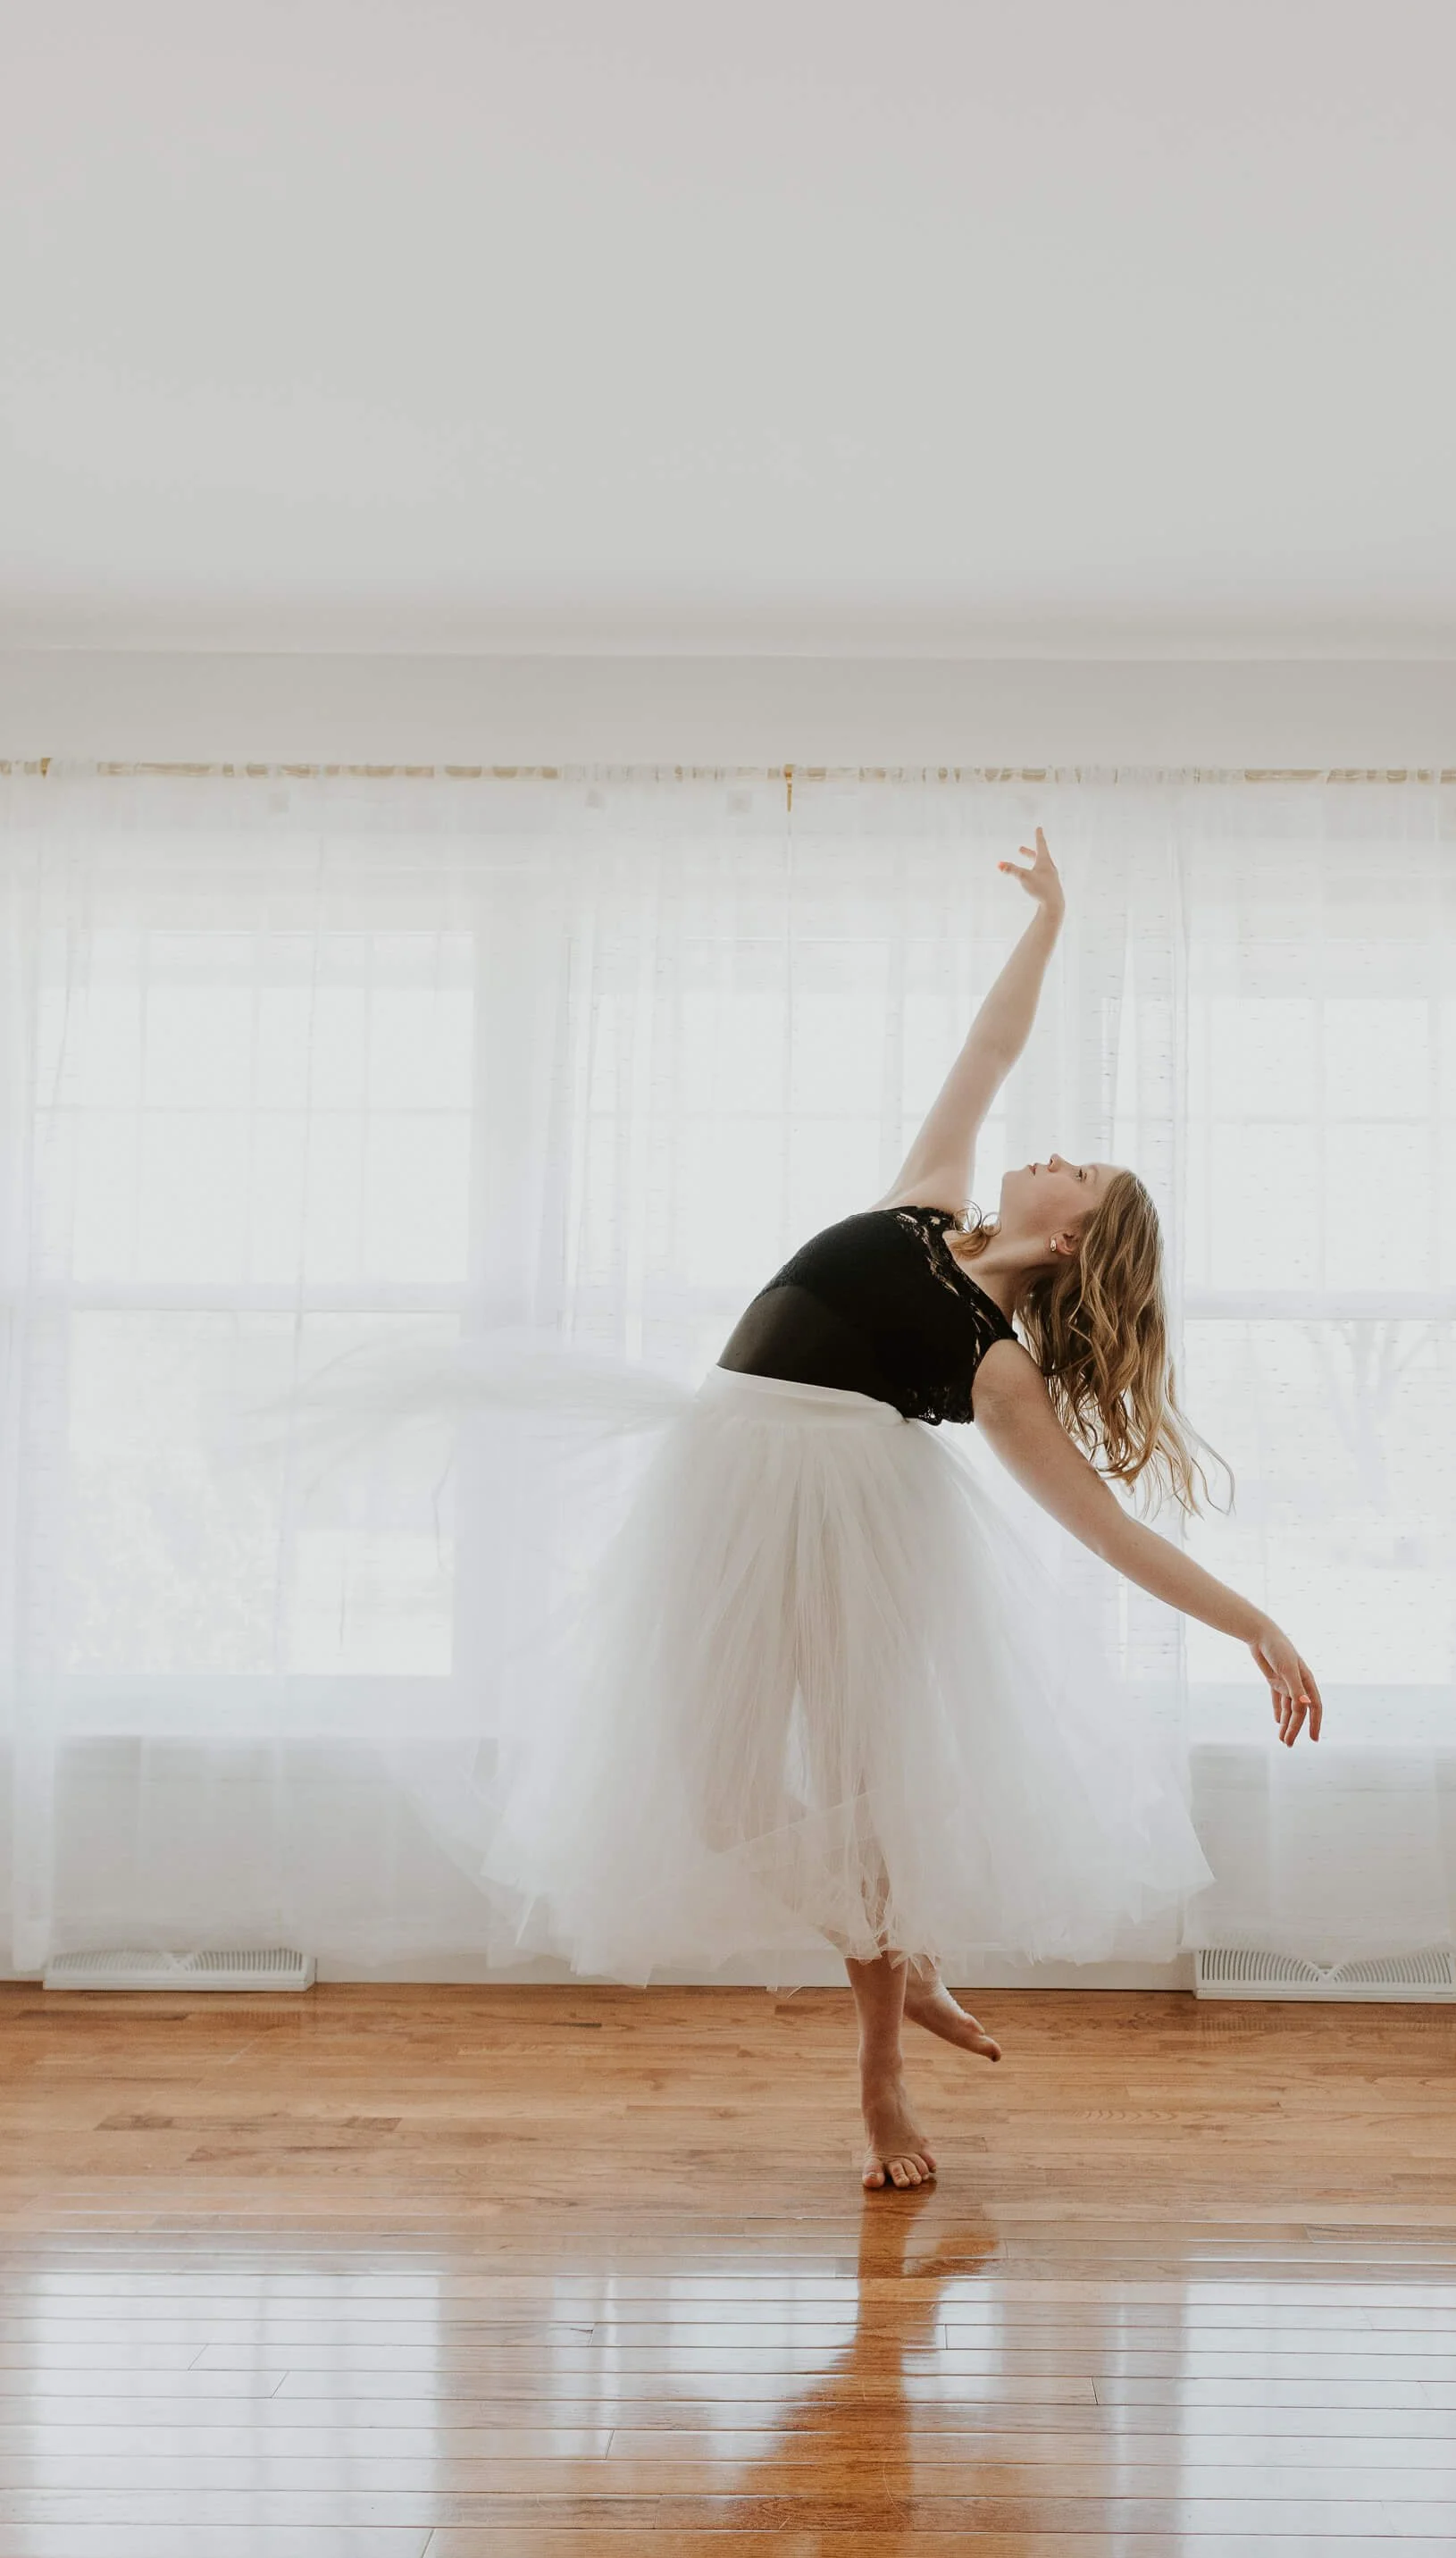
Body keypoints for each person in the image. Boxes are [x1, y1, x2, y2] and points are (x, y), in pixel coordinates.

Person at [280, 826, 1321, 2193]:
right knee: (715, 1798)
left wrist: (1258, 1625)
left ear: (1069, 1238)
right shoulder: (922, 1209)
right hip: (717, 1488)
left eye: (1084, 1169)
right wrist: (1049, 926)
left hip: (849, 1522)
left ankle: (883, 2075)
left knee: (854, 1788)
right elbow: (987, 1050)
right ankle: (906, 1949)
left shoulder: (995, 1368)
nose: (1058, 1151)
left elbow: (1108, 1533)